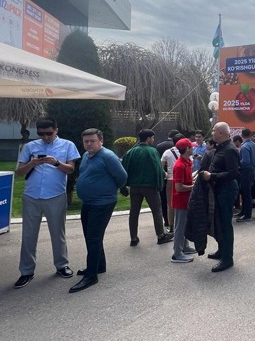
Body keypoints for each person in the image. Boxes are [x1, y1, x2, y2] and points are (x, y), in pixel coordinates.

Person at [14, 117, 81, 289]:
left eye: (49, 133)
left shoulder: (67, 145)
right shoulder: (30, 146)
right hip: (32, 196)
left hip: (55, 195)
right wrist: (32, 163)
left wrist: (56, 162)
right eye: (41, 134)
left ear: (56, 130)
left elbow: (71, 169)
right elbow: (19, 172)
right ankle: (26, 271)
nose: (45, 137)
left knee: (58, 233)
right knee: (28, 235)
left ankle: (62, 265)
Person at [69, 128, 127, 293]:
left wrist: (111, 189)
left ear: (101, 141)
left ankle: (91, 275)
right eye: (86, 141)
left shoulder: (108, 156)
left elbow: (122, 176)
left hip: (102, 203)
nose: (89, 144)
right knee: (91, 235)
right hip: (88, 202)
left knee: (93, 237)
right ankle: (99, 265)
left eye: (92, 141)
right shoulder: (86, 155)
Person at [199, 122, 239, 272]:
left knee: (225, 224)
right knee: (218, 222)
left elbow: (233, 173)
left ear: (221, 133)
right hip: (217, 189)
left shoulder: (230, 150)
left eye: (214, 131)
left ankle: (227, 258)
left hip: (226, 190)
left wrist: (212, 176)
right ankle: (222, 250)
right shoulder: (220, 148)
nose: (212, 133)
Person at [122, 129, 174, 246]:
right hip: (150, 186)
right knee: (156, 211)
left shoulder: (131, 152)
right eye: (153, 138)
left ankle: (133, 238)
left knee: (134, 212)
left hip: (134, 186)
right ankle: (161, 235)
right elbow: (157, 168)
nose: (153, 140)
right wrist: (161, 182)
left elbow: (124, 168)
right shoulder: (152, 151)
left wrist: (124, 185)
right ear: (148, 138)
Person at [170, 138, 196, 263]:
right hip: (181, 200)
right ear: (187, 149)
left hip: (186, 199)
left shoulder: (187, 162)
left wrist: (194, 180)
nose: (193, 148)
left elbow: (186, 181)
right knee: (179, 228)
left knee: (184, 225)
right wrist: (193, 186)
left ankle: (184, 247)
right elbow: (178, 187)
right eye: (191, 147)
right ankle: (177, 254)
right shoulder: (180, 165)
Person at [161, 133, 184, 234]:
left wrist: (165, 173)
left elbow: (161, 165)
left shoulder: (167, 152)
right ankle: (183, 225)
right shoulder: (186, 152)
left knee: (170, 204)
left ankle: (171, 227)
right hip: (183, 179)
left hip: (171, 179)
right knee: (183, 203)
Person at [157, 129, 180, 229]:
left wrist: (164, 173)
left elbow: (159, 165)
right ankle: (180, 223)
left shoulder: (160, 146)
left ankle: (167, 222)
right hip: (180, 178)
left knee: (167, 202)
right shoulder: (185, 149)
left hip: (168, 178)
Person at [236, 128, 255, 222]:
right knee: (246, 192)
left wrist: (237, 164)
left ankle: (247, 214)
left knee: (246, 193)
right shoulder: (253, 145)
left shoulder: (245, 147)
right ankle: (243, 212)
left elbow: (245, 161)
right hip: (251, 170)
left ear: (242, 135)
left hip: (245, 172)